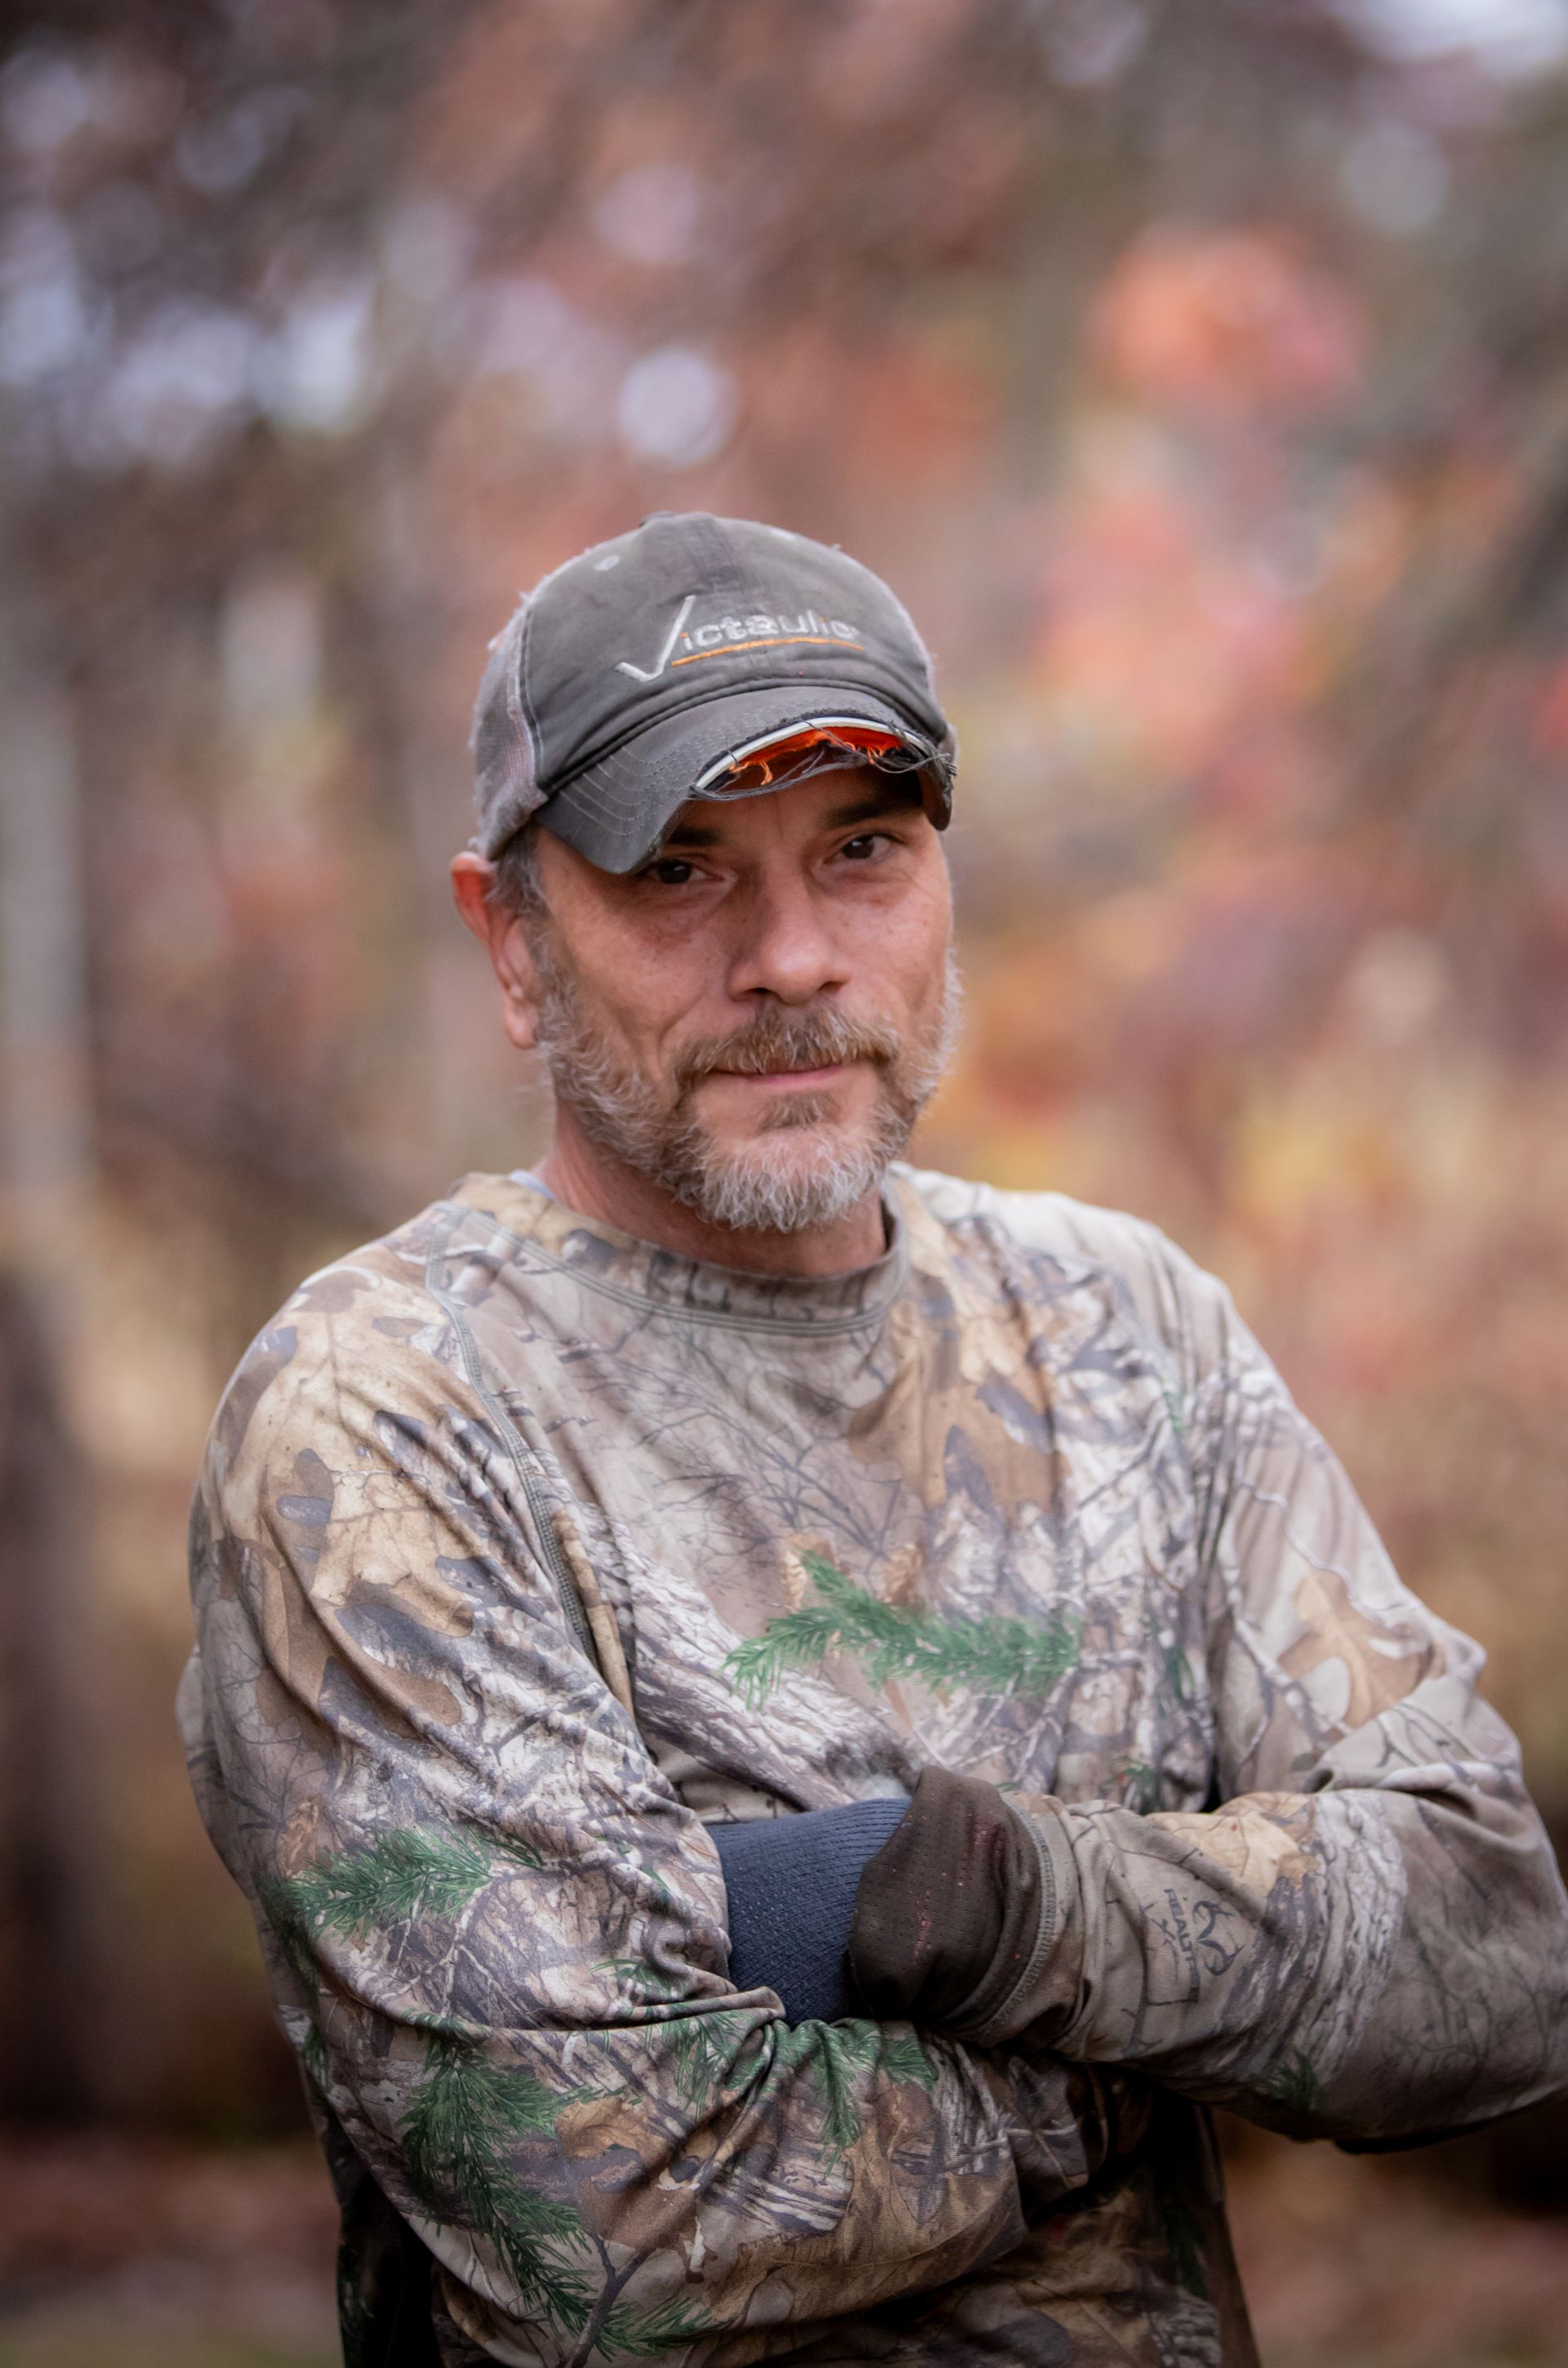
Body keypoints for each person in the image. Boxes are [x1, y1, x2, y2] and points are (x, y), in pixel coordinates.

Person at [180, 512, 1568, 2368]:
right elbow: (618, 2223)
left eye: (864, 850)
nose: (794, 957)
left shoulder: (1127, 1328)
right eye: (681, 870)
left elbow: (1496, 1955)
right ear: (508, 938)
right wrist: (1160, 2060)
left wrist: (999, 1912)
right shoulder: (388, 1420)